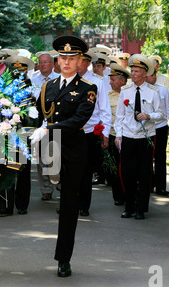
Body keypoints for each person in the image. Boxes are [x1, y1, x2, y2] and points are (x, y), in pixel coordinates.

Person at [30, 34, 97, 277]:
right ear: (58, 60)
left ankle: (63, 258)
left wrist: (47, 128)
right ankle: (52, 176)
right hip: (50, 147)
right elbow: (39, 113)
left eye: (72, 57)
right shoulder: (48, 86)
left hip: (72, 148)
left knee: (69, 203)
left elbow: (80, 118)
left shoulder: (89, 89)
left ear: (80, 60)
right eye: (63, 57)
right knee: (53, 183)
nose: (67, 62)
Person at [114, 54, 164, 220]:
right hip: (128, 136)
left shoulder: (153, 92)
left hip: (146, 137)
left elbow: (161, 114)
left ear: (144, 73)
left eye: (136, 71)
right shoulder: (125, 91)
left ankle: (141, 208)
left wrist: (149, 116)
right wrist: (119, 135)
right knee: (127, 172)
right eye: (132, 70)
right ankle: (128, 206)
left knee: (144, 173)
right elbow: (119, 116)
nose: (133, 74)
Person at [0, 54, 37, 216]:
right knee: (4, 168)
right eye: (15, 72)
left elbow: (34, 117)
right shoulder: (3, 90)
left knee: (23, 172)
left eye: (21, 73)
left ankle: (21, 204)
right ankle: (5, 205)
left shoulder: (30, 93)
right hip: (5, 133)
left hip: (23, 135)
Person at [76, 49, 111, 216]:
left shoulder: (97, 82)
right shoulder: (68, 79)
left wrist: (105, 132)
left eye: (81, 60)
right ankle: (68, 203)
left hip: (89, 131)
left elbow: (104, 109)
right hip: (70, 132)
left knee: (86, 170)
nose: (77, 63)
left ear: (88, 63)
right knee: (68, 170)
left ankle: (83, 205)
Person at [146, 62, 169, 196]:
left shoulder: (162, 90)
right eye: (151, 75)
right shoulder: (141, 90)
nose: (154, 77)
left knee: (160, 157)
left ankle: (160, 186)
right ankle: (147, 185)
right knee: (146, 158)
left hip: (160, 127)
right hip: (146, 128)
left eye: (155, 75)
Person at [31, 52, 60, 201]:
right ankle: (46, 190)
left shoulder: (59, 80)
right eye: (40, 62)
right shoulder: (33, 80)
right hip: (38, 125)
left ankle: (59, 184)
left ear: (52, 64)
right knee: (41, 159)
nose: (42, 65)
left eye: (46, 62)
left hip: (55, 124)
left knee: (55, 157)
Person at [106, 64, 130, 206]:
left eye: (113, 79)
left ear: (122, 81)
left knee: (127, 167)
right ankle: (118, 196)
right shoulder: (107, 96)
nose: (111, 82)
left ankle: (129, 193)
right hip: (112, 135)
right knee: (114, 167)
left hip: (128, 136)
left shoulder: (130, 94)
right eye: (110, 79)